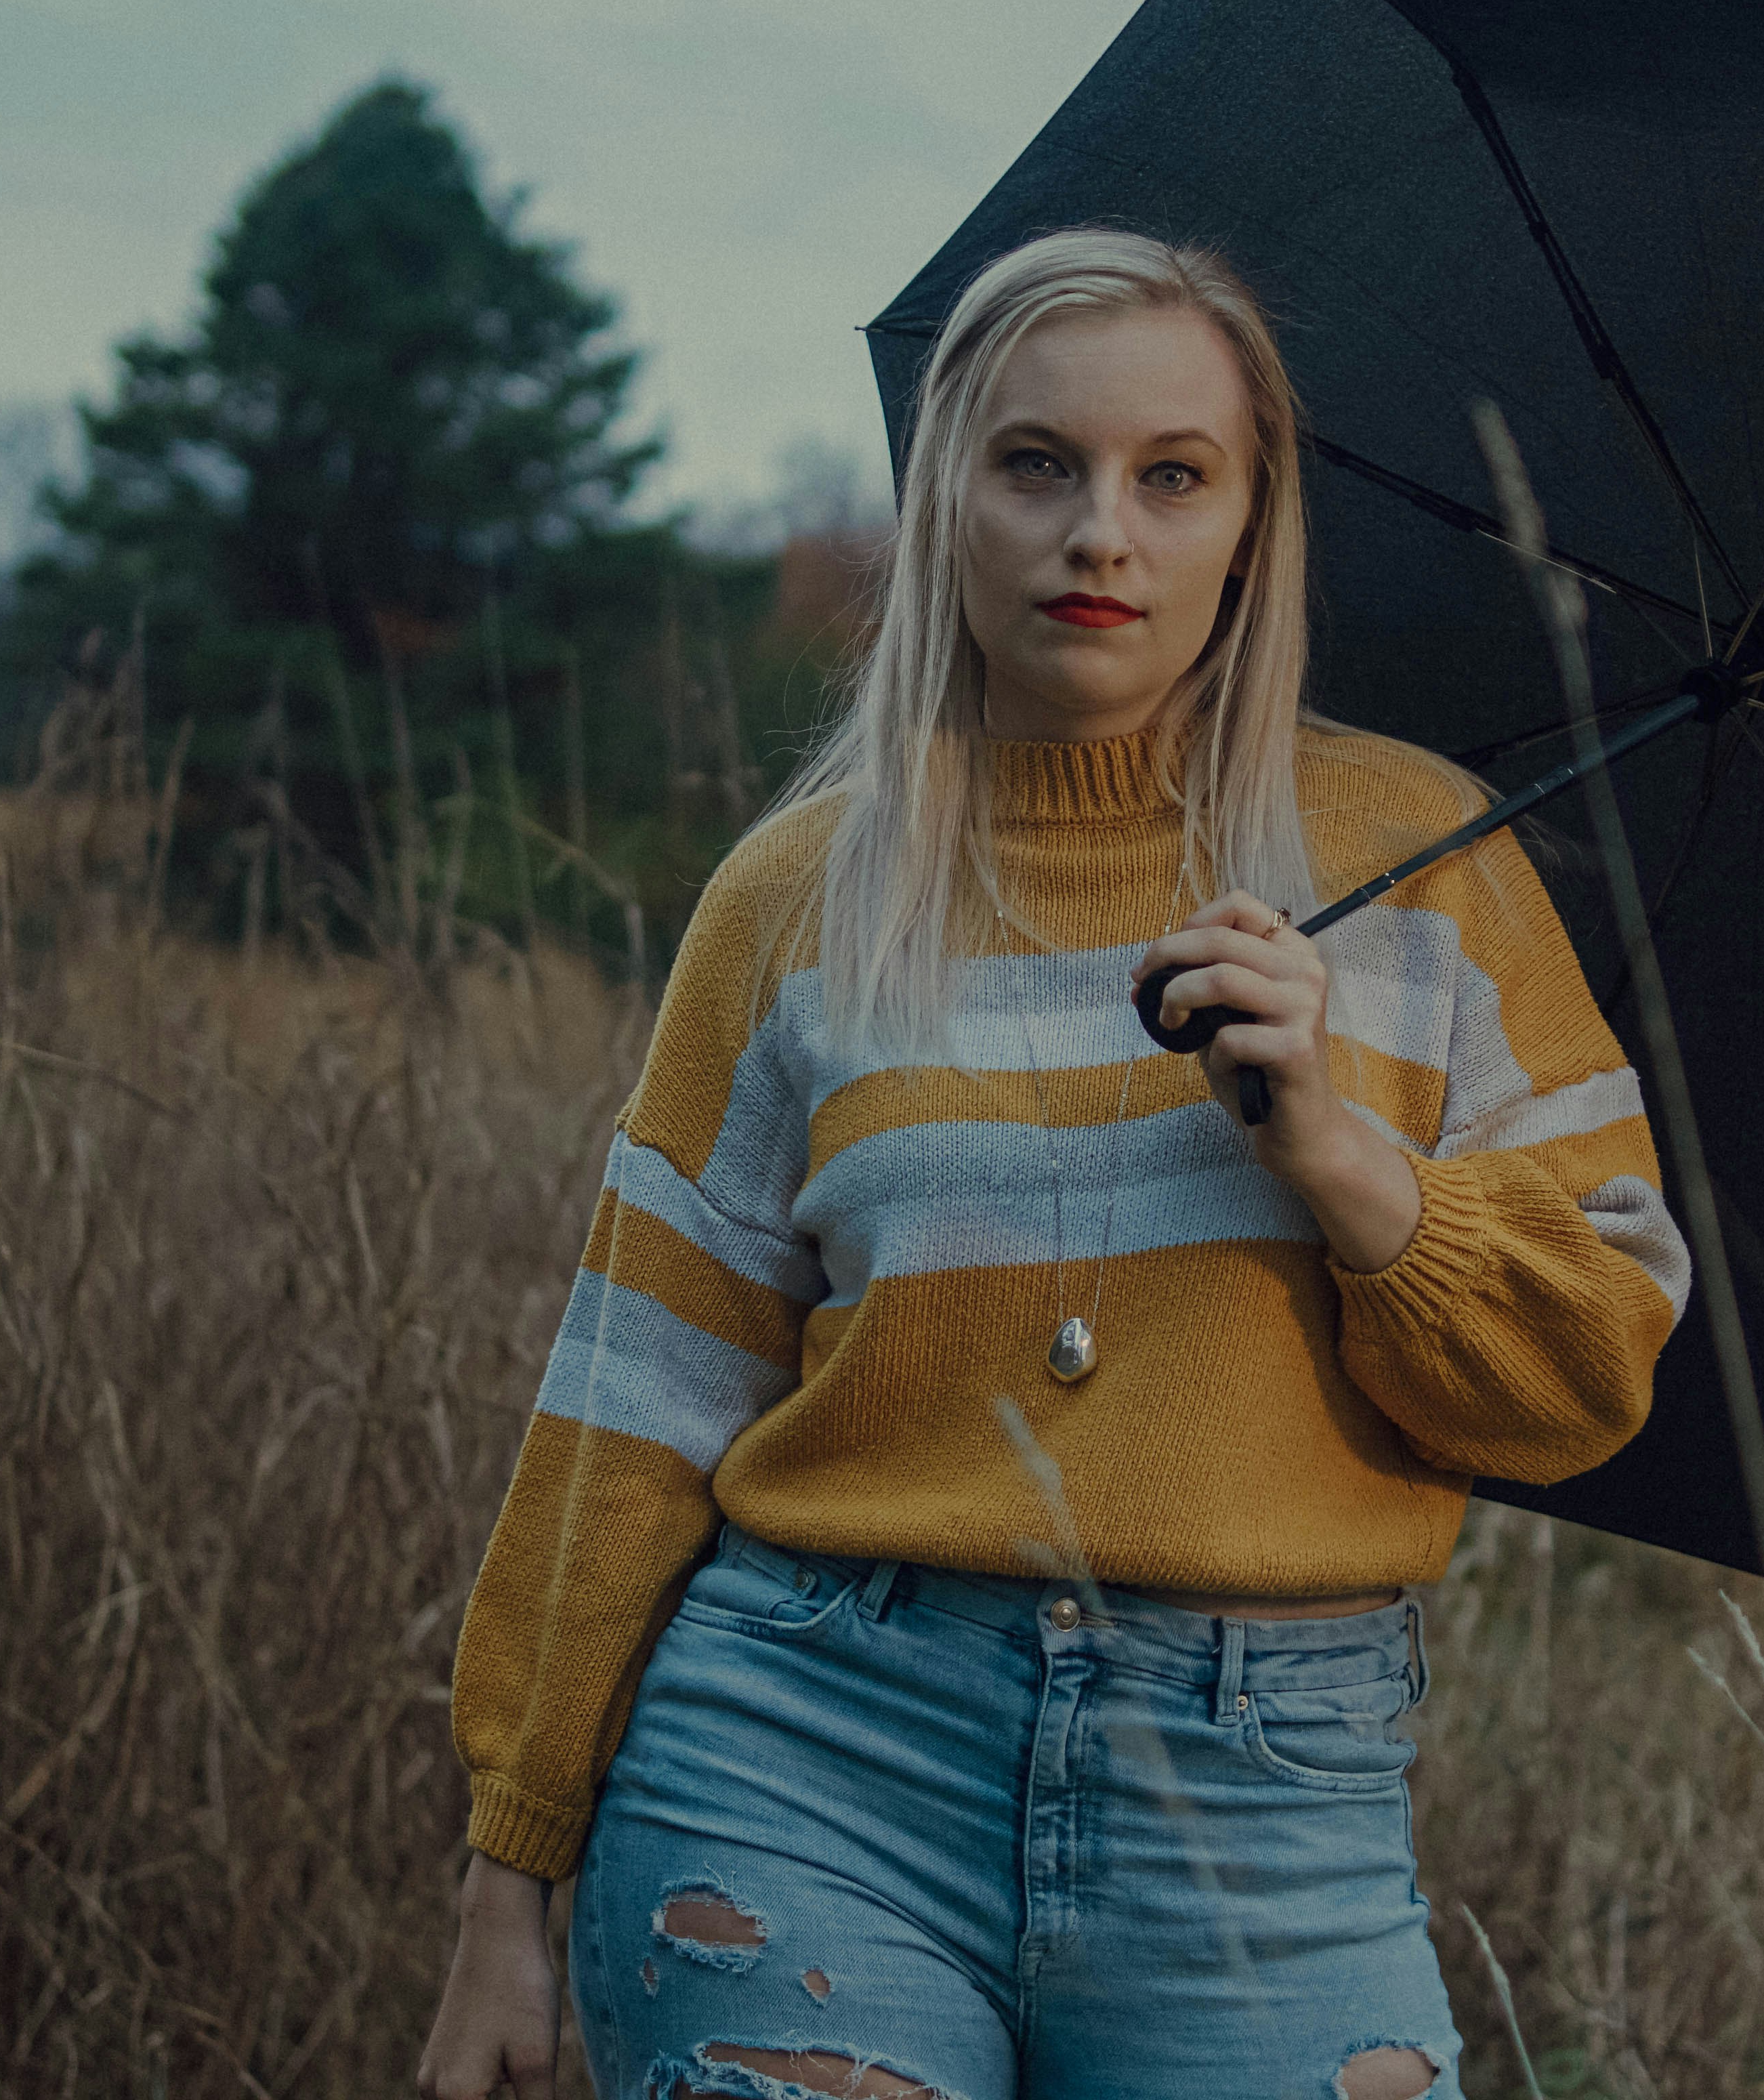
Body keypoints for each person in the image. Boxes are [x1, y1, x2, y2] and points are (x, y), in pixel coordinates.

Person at [415, 228, 1686, 2100]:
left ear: (1250, 528)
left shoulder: (1424, 870)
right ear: (946, 502)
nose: (1102, 533)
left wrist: (1340, 1153)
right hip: (806, 1746)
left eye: (1173, 477)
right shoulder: (799, 899)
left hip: (1266, 1794)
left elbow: (1587, 1370)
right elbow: (637, 1394)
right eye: (1037, 465)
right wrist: (507, 1872)